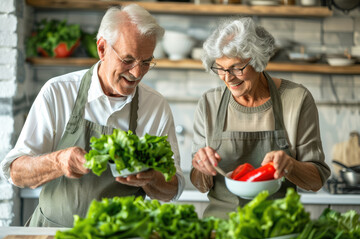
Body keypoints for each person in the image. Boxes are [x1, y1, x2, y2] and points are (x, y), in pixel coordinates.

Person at [0, 4, 184, 227]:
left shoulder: (155, 106)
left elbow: (172, 189)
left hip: (119, 235)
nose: (137, 73)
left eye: (146, 62)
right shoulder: (59, 92)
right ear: (102, 48)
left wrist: (152, 178)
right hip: (53, 233)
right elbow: (16, 172)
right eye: (128, 60)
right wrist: (58, 161)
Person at [190, 17, 330, 219]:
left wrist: (290, 165)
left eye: (237, 68)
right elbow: (199, 185)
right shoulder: (209, 103)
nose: (228, 78)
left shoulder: (297, 99)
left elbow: (316, 181)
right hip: (221, 226)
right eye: (220, 68)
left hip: (278, 224)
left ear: (258, 61)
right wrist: (201, 167)